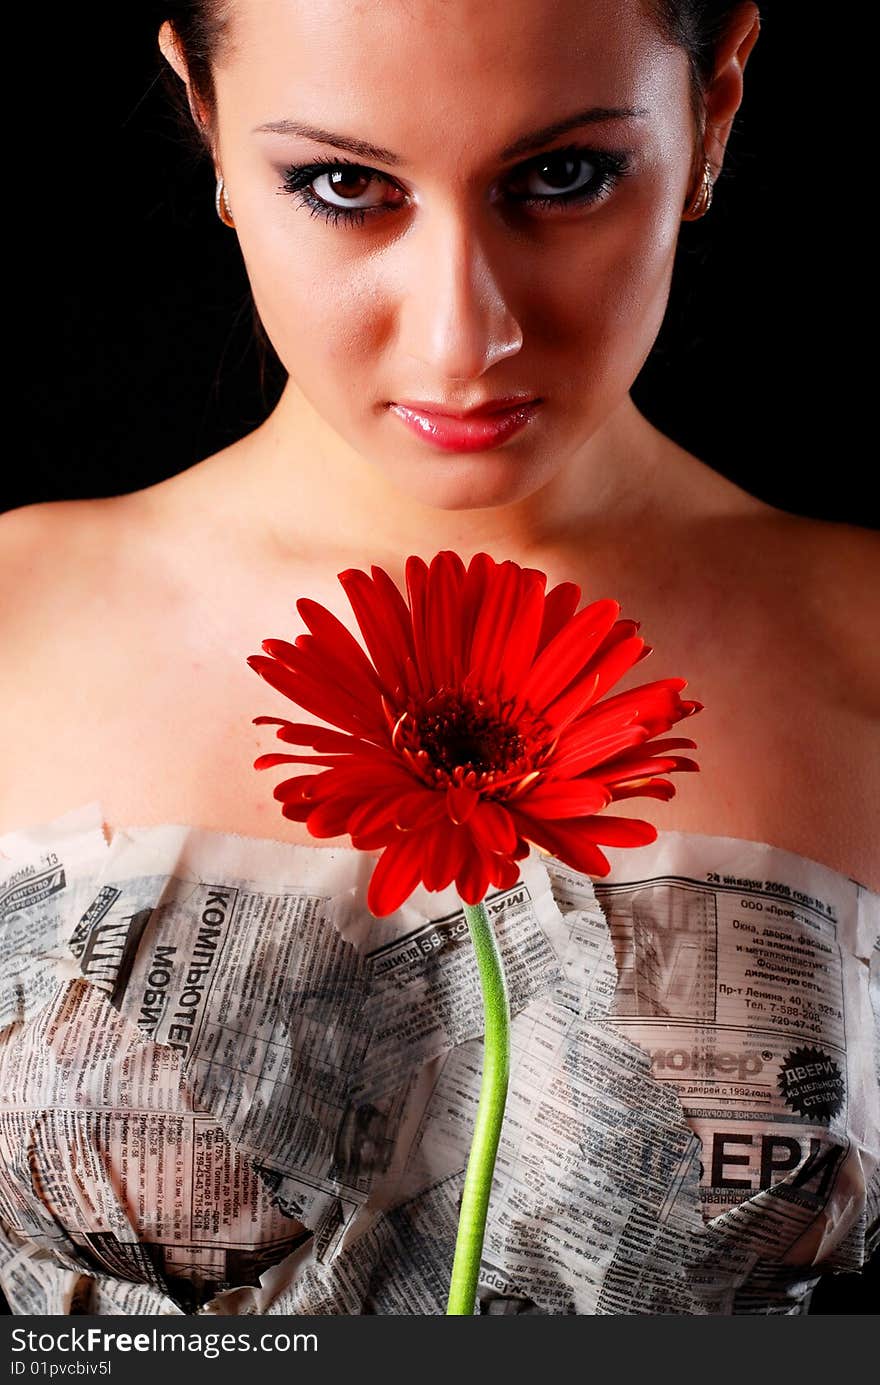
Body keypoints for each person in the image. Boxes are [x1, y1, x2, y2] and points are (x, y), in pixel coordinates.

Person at [0, 0, 876, 1317]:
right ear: (206, 116)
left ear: (716, 109)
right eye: (344, 183)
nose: (464, 341)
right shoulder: (17, 609)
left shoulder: (861, 635)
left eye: (565, 175)